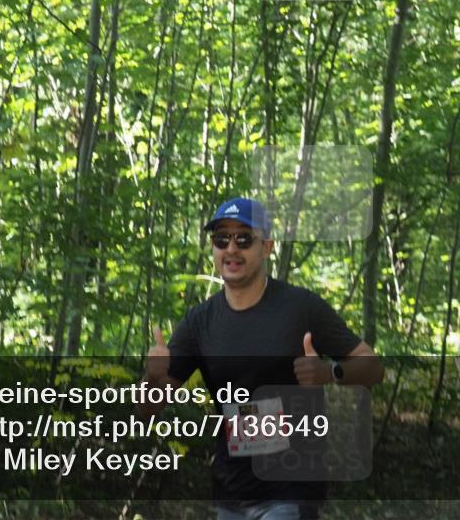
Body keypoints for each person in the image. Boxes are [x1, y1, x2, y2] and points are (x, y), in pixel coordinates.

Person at [140, 197, 383, 520]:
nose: (231, 249)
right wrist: (152, 378)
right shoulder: (200, 322)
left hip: (290, 491)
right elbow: (147, 408)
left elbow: (373, 367)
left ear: (267, 246)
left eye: (244, 239)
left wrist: (329, 372)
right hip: (231, 493)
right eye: (221, 239)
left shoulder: (301, 308)